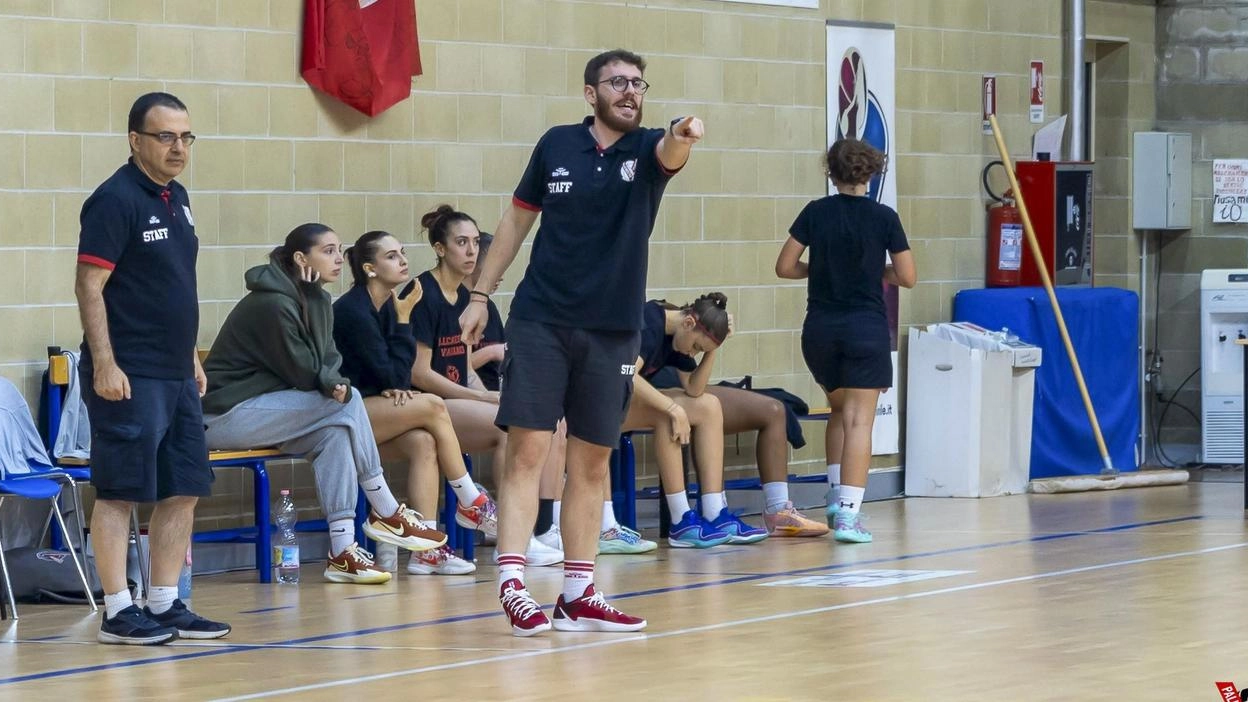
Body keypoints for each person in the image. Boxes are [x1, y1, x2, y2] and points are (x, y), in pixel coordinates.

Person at [461, 48, 702, 636]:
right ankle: (514, 582)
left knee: (593, 461)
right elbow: (517, 221)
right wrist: (481, 295)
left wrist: (683, 134)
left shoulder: (648, 149)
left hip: (613, 329)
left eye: (638, 83)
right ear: (589, 93)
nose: (629, 91)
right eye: (616, 82)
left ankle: (577, 592)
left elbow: (673, 151)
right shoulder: (556, 144)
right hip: (542, 319)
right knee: (528, 450)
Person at [202, 223, 447, 584]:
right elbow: (304, 372)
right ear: (301, 258)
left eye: (339, 249)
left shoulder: (313, 298)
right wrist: (332, 382)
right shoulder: (272, 304)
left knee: (334, 435)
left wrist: (331, 378)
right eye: (328, 251)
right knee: (348, 404)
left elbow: (329, 360)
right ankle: (386, 510)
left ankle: (342, 551)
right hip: (223, 415)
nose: (338, 258)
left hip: (266, 409)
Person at [75, 92, 230, 645]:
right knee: (120, 492)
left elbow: (172, 284)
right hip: (129, 373)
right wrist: (106, 364)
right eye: (166, 136)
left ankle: (164, 602)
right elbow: (89, 286)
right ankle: (118, 610)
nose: (179, 147)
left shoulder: (177, 196)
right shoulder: (114, 200)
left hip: (176, 374)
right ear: (135, 140)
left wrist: (190, 354)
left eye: (186, 136)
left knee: (182, 488)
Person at [775, 138, 917, 544]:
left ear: (830, 172)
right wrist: (876, 271)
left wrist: (820, 269)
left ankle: (835, 495)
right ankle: (849, 516)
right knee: (860, 420)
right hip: (864, 329)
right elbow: (907, 276)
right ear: (870, 174)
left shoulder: (815, 213)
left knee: (839, 411)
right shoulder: (884, 217)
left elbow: (784, 266)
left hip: (819, 330)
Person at [331, 230, 497, 576]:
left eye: (403, 252)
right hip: (341, 415)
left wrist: (401, 322)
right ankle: (470, 501)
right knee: (434, 406)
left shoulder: (390, 305)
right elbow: (391, 373)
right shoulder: (353, 310)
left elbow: (397, 375)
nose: (403, 260)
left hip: (374, 409)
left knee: (423, 442)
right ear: (369, 268)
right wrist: (404, 324)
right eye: (391, 256)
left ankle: (427, 550)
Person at [409, 205, 563, 566]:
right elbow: (420, 373)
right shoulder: (422, 293)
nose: (472, 251)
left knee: (516, 416)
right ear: (440, 248)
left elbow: (463, 367)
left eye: (476, 243)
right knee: (506, 429)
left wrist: (493, 394)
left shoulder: (466, 298)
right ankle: (509, 538)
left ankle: (526, 531)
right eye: (461, 243)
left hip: (452, 403)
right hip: (421, 402)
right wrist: (481, 396)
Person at [610, 293, 769, 550]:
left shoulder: (678, 337)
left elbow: (694, 389)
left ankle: (715, 511)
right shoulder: (649, 322)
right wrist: (673, 408)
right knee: (666, 413)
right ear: (688, 323)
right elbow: (628, 374)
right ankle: (680, 519)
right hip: (597, 407)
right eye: (697, 346)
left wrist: (713, 350)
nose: (694, 352)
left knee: (708, 405)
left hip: (620, 404)